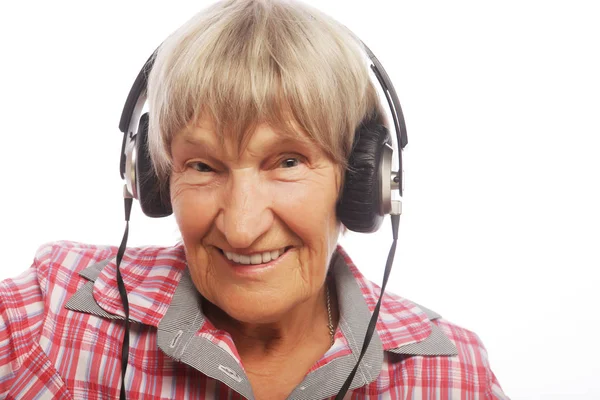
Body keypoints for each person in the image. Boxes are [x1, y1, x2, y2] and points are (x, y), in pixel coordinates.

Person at [0, 0, 509, 398]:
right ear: (152, 179)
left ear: (363, 181)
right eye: (202, 166)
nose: (242, 227)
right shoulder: (52, 310)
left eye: (288, 162)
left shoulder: (451, 373)